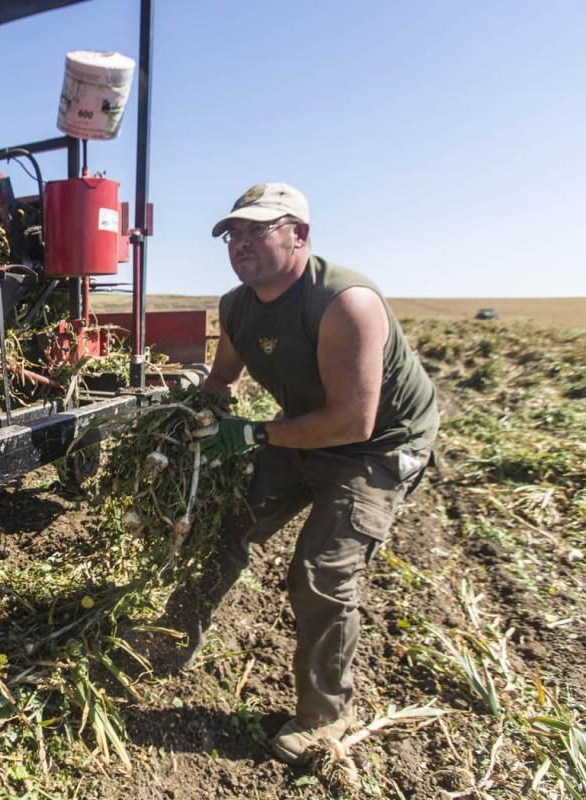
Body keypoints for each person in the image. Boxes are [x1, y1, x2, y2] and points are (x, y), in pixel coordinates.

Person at [191, 182, 439, 765]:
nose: (240, 243)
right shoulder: (237, 306)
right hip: (303, 427)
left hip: (375, 447)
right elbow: (222, 378)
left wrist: (253, 433)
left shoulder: (344, 302)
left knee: (321, 573)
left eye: (258, 230)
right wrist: (202, 412)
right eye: (233, 233)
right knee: (225, 526)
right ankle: (170, 640)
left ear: (300, 235)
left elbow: (354, 422)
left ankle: (325, 717)